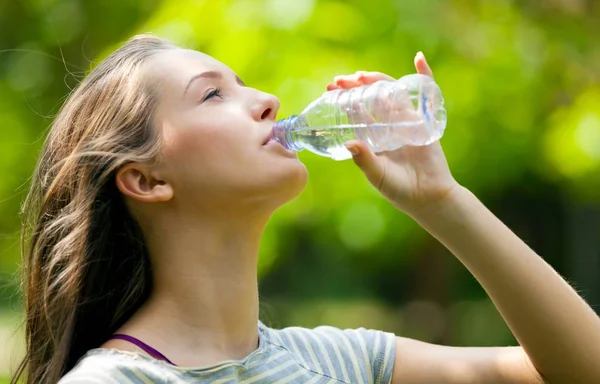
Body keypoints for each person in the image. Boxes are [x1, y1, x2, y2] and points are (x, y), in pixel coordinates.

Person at [11, 34, 600, 384]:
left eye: (245, 84)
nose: (267, 101)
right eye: (213, 94)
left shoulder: (337, 361)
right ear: (144, 178)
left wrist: (444, 203)